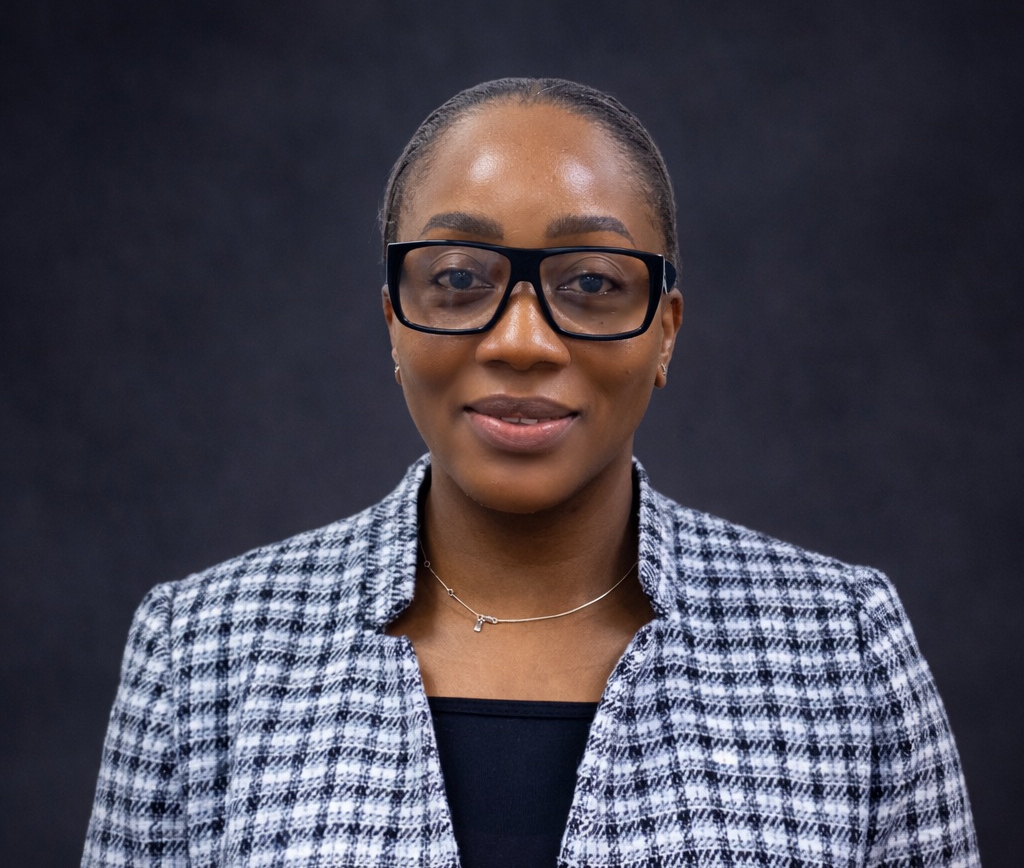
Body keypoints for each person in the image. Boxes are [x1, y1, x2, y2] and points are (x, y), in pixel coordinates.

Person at [82, 78, 979, 867]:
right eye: (458, 278)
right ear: (393, 320)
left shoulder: (841, 650)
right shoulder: (202, 655)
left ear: (665, 331)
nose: (521, 341)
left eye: (590, 284)